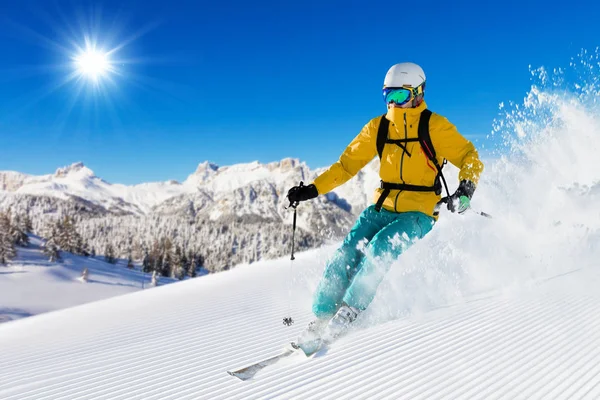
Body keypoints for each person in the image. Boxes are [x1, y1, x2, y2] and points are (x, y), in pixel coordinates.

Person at [286, 62, 484, 350]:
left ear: (417, 93)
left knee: (380, 247)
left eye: (399, 96)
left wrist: (465, 189)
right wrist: (313, 189)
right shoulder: (378, 127)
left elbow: (469, 155)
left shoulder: (434, 126)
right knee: (346, 254)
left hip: (419, 210)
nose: (393, 103)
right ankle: (321, 317)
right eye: (387, 96)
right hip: (382, 206)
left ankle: (351, 311)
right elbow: (346, 166)